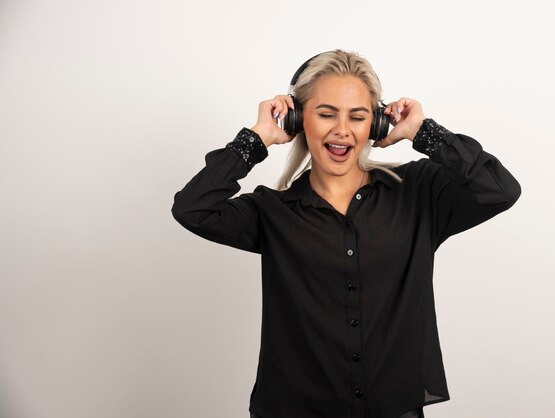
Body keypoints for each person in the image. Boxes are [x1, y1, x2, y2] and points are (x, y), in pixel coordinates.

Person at [171, 49, 522, 418]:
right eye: (325, 114)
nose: (342, 129)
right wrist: (256, 139)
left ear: (375, 125)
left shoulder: (419, 192)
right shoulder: (272, 212)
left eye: (357, 116)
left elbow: (500, 189)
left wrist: (424, 133)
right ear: (297, 119)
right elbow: (192, 208)